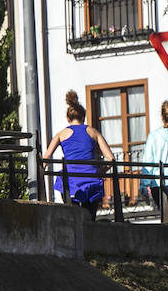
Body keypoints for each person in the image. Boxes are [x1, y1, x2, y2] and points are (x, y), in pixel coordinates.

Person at [42, 90, 115, 220]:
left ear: (68, 119)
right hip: (91, 179)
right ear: (83, 117)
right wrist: (100, 171)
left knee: (72, 219)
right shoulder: (93, 132)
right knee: (89, 219)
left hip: (70, 181)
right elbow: (111, 159)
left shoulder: (61, 134)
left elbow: (46, 158)